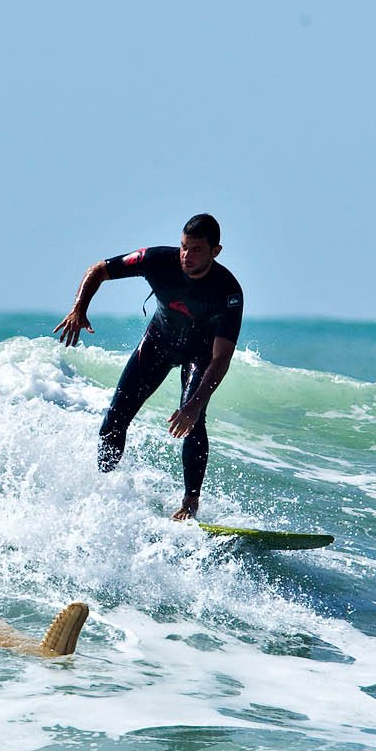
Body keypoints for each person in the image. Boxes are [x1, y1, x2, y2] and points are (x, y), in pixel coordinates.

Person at [54, 213, 244, 521]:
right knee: (116, 415)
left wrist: (193, 407)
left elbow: (221, 357)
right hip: (159, 343)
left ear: (215, 252)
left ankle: (190, 505)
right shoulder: (157, 260)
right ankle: (103, 486)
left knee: (194, 421)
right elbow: (100, 269)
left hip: (201, 353)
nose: (186, 255)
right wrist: (79, 308)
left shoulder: (228, 291)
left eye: (196, 249)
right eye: (184, 246)